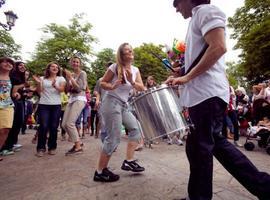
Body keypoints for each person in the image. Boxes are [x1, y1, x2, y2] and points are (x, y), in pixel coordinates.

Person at [166, 1, 270, 199]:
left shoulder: (206, 11)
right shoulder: (197, 17)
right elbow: (204, 54)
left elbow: (219, 47)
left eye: (176, 2)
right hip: (202, 96)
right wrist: (181, 72)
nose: (175, 7)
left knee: (204, 148)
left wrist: (187, 77)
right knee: (201, 148)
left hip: (207, 96)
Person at [93, 43, 145, 182]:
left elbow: (142, 88)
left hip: (123, 105)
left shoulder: (135, 70)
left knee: (136, 129)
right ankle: (100, 171)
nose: (131, 51)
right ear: (122, 54)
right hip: (111, 103)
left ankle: (129, 160)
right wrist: (112, 85)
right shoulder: (115, 67)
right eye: (128, 50)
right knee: (114, 137)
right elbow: (102, 83)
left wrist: (132, 82)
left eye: (131, 49)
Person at [32, 62, 66, 157]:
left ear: (58, 70)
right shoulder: (42, 78)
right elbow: (39, 91)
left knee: (54, 126)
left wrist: (55, 85)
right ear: (48, 68)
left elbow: (62, 89)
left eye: (56, 67)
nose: (55, 68)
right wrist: (38, 83)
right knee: (43, 126)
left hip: (56, 105)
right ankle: (41, 148)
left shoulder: (61, 78)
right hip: (44, 105)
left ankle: (52, 147)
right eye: (52, 66)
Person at [62, 56, 87, 155]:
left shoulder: (82, 73)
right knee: (64, 124)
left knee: (70, 123)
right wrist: (68, 79)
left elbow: (79, 88)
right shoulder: (70, 74)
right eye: (73, 62)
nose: (75, 63)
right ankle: (79, 142)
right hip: (71, 99)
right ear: (71, 64)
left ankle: (78, 147)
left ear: (80, 64)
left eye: (77, 62)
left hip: (80, 98)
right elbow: (67, 90)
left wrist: (71, 78)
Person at [1, 61, 27, 155]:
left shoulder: (20, 76)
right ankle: (5, 146)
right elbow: (13, 89)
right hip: (9, 102)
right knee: (10, 125)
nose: (22, 67)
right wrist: (20, 87)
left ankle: (10, 144)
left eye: (24, 66)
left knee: (17, 123)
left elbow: (19, 89)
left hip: (18, 102)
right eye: (20, 65)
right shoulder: (12, 76)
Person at [0, 57, 15, 161]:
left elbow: (14, 91)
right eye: (5, 62)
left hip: (7, 105)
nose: (8, 64)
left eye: (10, 63)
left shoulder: (13, 78)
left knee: (5, 129)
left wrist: (16, 94)